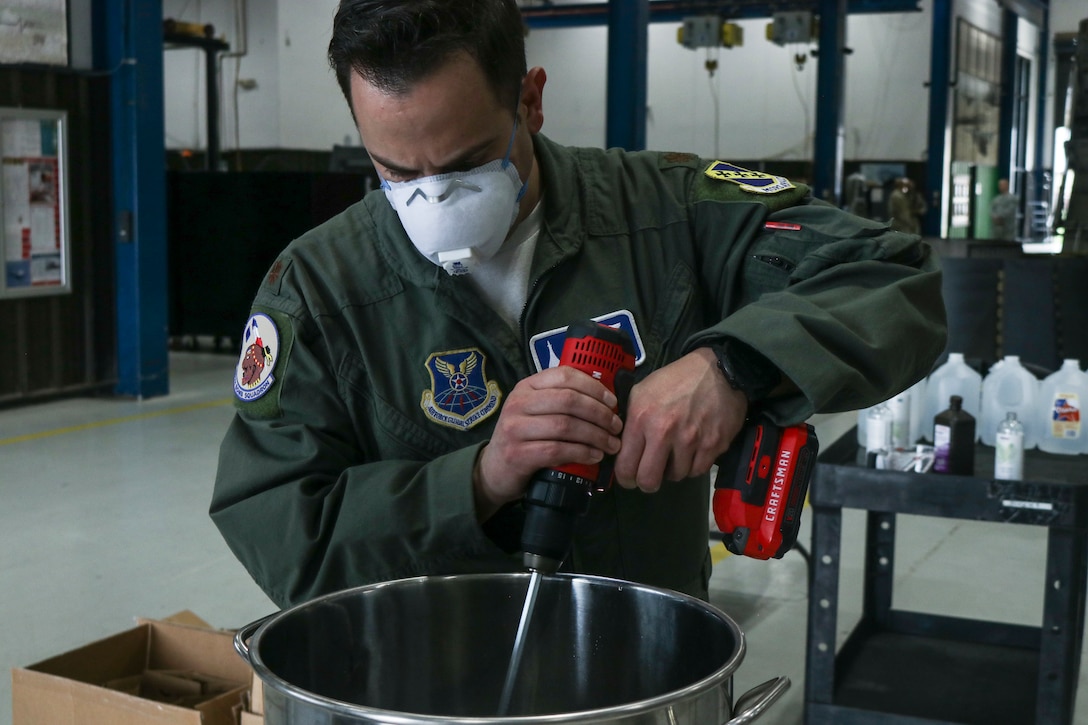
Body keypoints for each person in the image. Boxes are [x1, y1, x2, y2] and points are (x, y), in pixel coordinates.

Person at [209, 0, 948, 610]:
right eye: (395, 171)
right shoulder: (319, 287)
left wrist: (733, 365)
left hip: (646, 668)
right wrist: (479, 480)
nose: (434, 201)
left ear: (530, 100)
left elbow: (895, 277)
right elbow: (280, 533)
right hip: (435, 686)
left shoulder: (667, 210)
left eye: (467, 163)